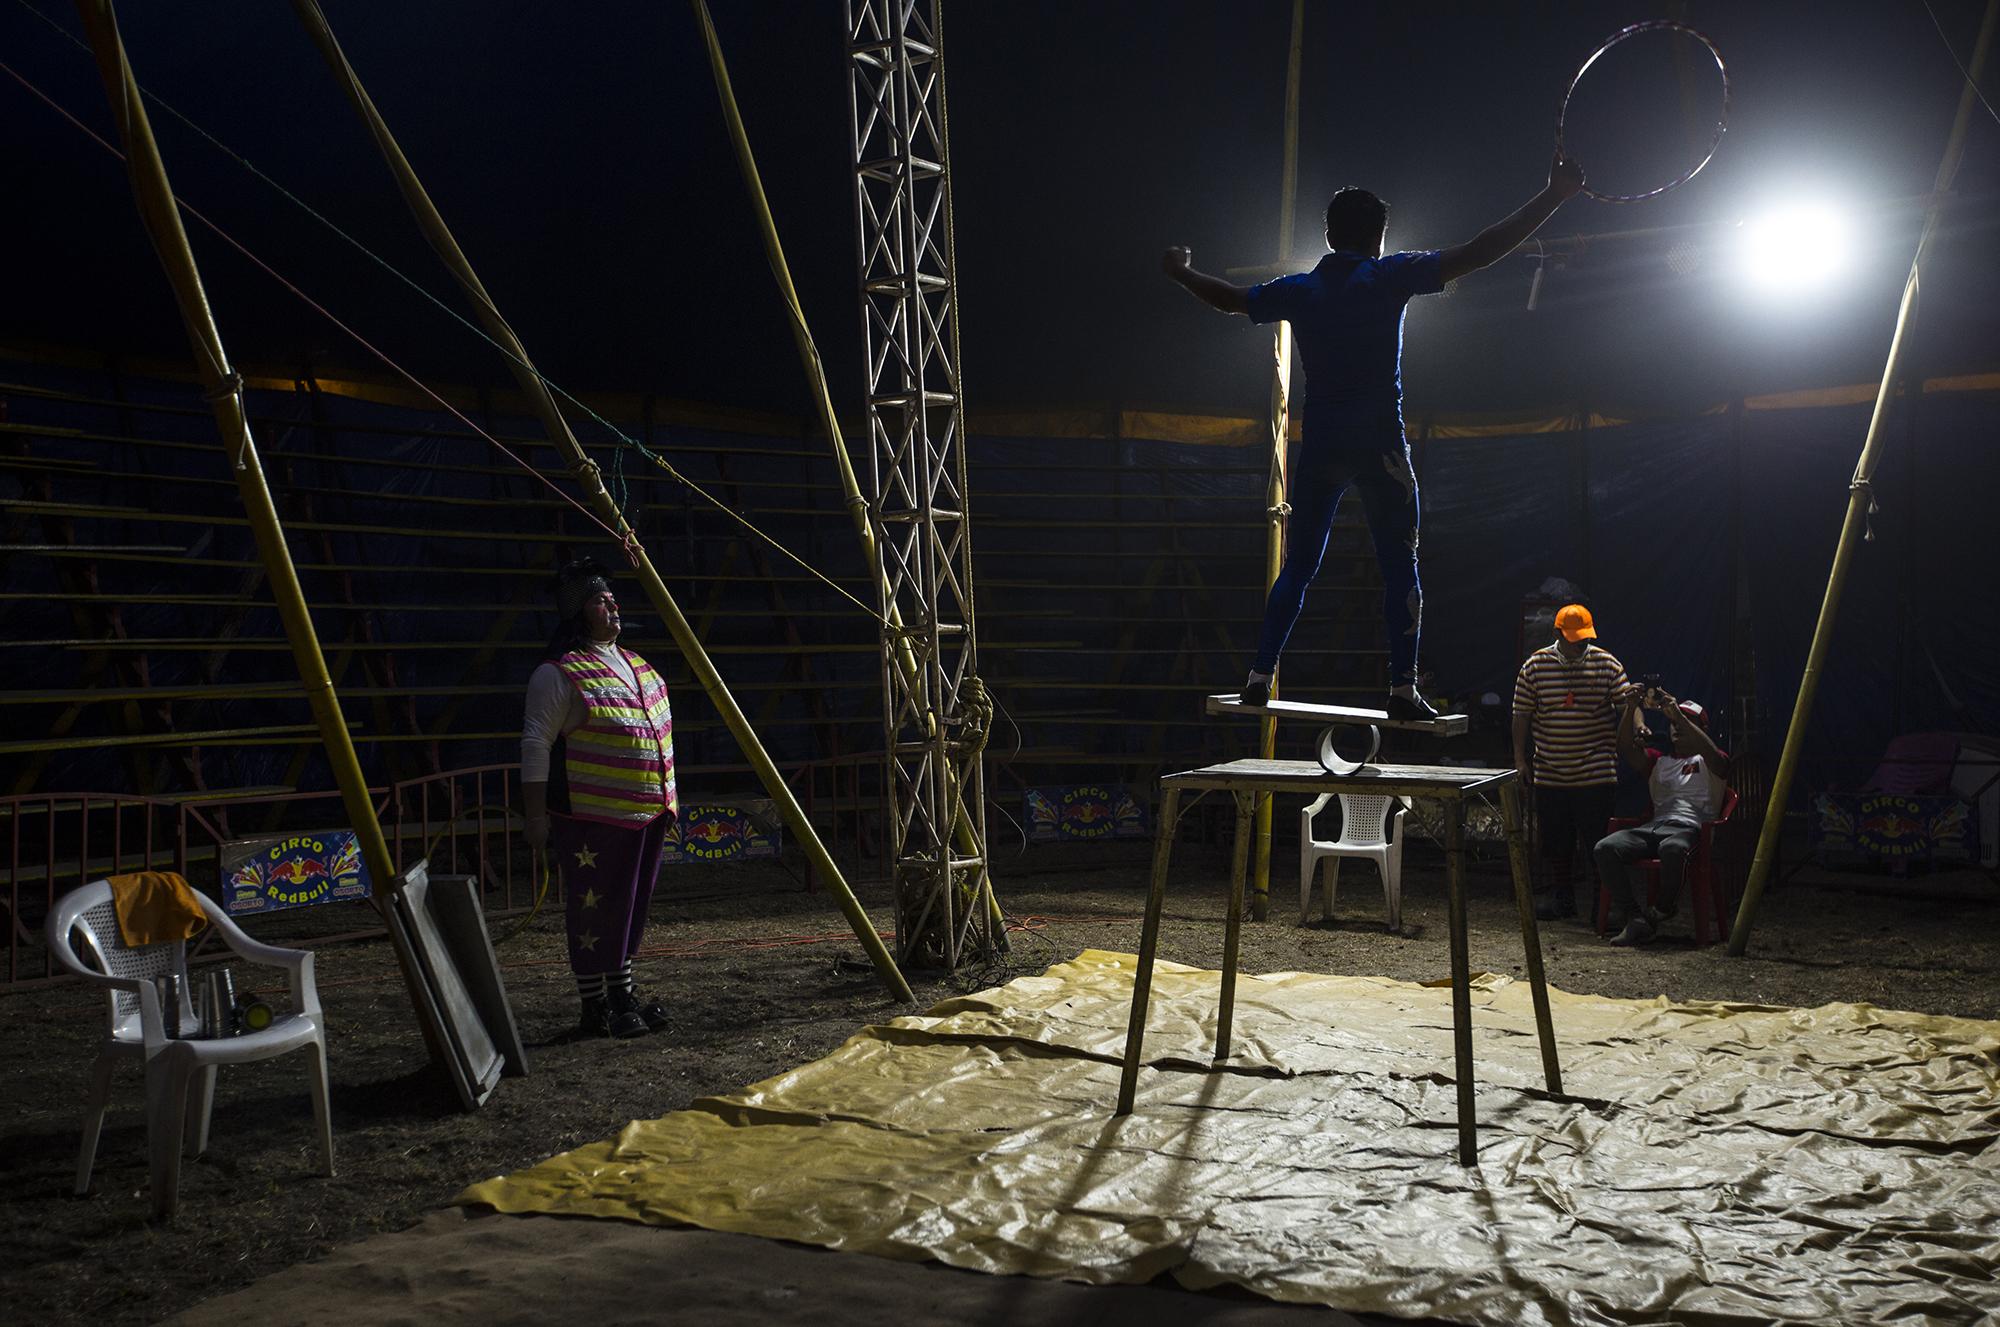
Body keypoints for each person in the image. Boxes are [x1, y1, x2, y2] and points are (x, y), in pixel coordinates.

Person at [1163, 152, 1586, 720]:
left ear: (1330, 235)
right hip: (1381, 445)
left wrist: (1181, 272)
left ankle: (1260, 675)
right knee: (1400, 565)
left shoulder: (1302, 289)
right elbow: (1482, 250)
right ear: (1380, 237)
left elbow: (1231, 300)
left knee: (1300, 566)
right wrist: (1554, 195)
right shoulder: (1390, 275)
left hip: (1324, 446)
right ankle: (1401, 689)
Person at [521, 559, 678, 1039]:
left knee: (630, 906)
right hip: (594, 815)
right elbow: (535, 743)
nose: (611, 605)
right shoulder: (558, 673)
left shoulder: (639, 666)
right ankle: (595, 1007)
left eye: (611, 598)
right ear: (578, 613)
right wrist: (534, 817)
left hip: (648, 811)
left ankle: (621, 995)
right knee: (595, 908)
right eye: (598, 599)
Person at [1513, 604, 1629, 920]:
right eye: (1573, 638)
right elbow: (1521, 714)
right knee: (1556, 841)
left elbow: (1626, 704)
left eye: (1583, 637)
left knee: (1597, 842)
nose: (1579, 643)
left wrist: (1638, 719)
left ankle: (1600, 904)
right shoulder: (1535, 666)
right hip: (1551, 772)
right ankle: (1562, 898)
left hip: (1596, 772)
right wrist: (1519, 759)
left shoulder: (1606, 664)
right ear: (1557, 634)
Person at [1595, 686, 1731, 946]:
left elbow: (1718, 760)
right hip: (1654, 827)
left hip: (1690, 830)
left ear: (1702, 730)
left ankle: (1661, 909)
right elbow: (1624, 747)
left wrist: (1677, 715)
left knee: (1673, 848)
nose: (1678, 727)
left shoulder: (1712, 761)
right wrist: (1632, 706)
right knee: (1605, 848)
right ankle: (1635, 919)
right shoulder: (1660, 761)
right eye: (1674, 722)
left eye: (1689, 723)